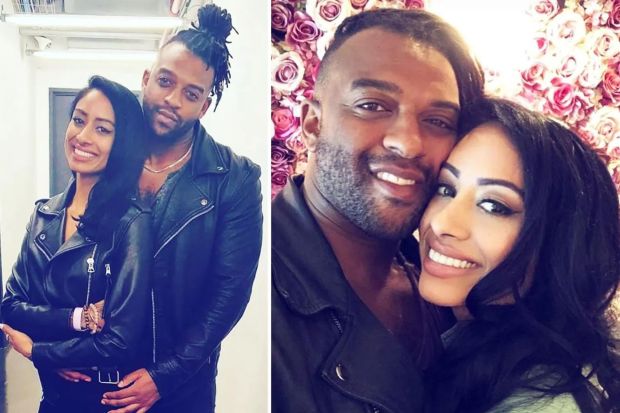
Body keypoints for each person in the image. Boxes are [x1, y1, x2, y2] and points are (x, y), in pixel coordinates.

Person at [272, 8, 484, 413]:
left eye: (438, 120)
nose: (408, 143)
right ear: (313, 123)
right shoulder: (251, 288)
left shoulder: (445, 284)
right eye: (372, 105)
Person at [99, 4, 263, 413]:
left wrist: (164, 376)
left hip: (179, 385)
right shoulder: (107, 154)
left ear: (205, 105)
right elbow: (74, 246)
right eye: (165, 82)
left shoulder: (234, 178)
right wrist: (64, 345)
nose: (172, 100)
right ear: (146, 79)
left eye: (191, 93)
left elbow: (229, 294)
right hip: (96, 369)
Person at [418, 97, 620, 413]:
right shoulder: (469, 336)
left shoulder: (543, 403)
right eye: (446, 188)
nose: (442, 223)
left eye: (494, 206)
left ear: (558, 243)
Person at [1, 75, 152, 413]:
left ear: (122, 143)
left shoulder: (130, 222)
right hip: (53, 400)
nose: (82, 136)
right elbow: (10, 306)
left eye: (102, 129)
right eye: (79, 120)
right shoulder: (44, 214)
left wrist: (39, 351)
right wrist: (78, 319)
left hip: (104, 400)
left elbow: (120, 340)